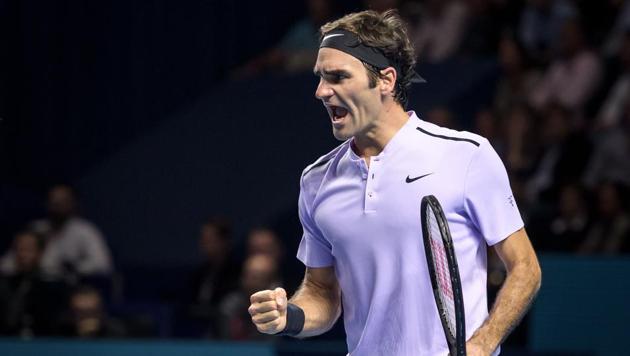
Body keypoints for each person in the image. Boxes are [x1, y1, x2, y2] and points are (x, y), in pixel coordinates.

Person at [248, 10, 541, 355]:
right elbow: (322, 291)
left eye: (338, 77)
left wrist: (482, 343)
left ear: (385, 80)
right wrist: (290, 317)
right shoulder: (316, 180)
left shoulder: (467, 155)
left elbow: (525, 268)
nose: (321, 92)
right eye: (320, 77)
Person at [0, 185, 113, 279]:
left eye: (63, 200)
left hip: (68, 287)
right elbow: (8, 262)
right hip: (31, 284)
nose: (57, 204)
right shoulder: (36, 228)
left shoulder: (85, 230)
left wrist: (72, 269)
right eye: (54, 200)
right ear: (47, 203)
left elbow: (102, 264)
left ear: (74, 203)